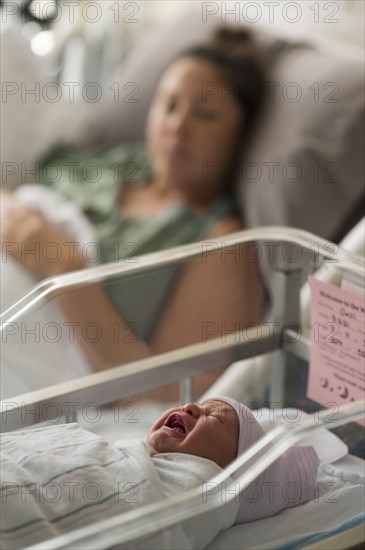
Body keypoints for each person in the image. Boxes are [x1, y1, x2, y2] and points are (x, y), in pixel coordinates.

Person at [1, 28, 265, 397]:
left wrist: (63, 267)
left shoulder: (221, 242)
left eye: (205, 114)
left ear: (240, 138)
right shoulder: (112, 162)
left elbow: (168, 395)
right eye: (169, 105)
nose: (178, 126)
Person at [0, 398, 319, 549]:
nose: (193, 406)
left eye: (216, 418)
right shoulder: (131, 456)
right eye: (202, 404)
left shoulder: (205, 492)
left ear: (235, 471)